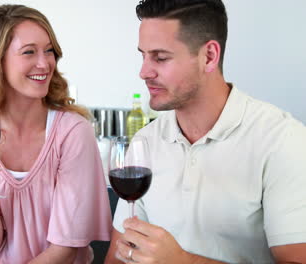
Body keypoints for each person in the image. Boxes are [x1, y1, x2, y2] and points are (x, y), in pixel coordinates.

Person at [105, 0, 306, 263]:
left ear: (209, 56)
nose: (143, 72)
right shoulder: (147, 142)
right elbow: (118, 258)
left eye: (160, 57)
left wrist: (183, 261)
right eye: (142, 55)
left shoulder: (282, 140)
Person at [0, 4, 112, 264]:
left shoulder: (72, 132)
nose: (44, 63)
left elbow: (65, 249)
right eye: (29, 52)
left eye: (49, 51)